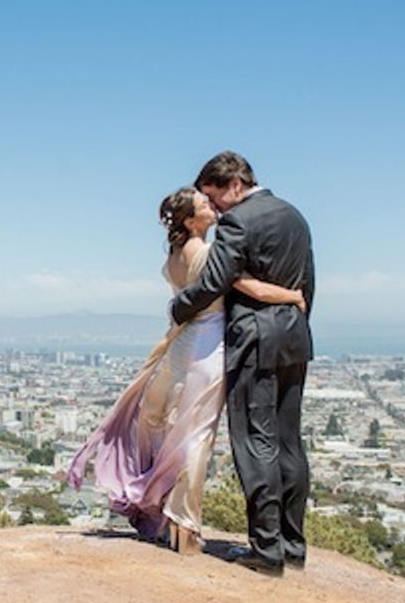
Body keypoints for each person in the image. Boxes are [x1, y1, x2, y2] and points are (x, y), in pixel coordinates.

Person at [67, 185, 305, 554]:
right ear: (192, 222)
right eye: (204, 205)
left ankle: (165, 519)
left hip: (179, 344)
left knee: (168, 427)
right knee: (196, 436)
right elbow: (250, 288)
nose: (213, 206)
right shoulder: (209, 252)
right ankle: (185, 527)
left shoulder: (177, 254)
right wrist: (293, 295)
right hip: (207, 348)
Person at [170, 151, 315, 577]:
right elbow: (307, 280)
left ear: (236, 184)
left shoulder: (240, 221)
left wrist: (179, 309)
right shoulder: (295, 216)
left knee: (256, 440)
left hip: (255, 336)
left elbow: (215, 280)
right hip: (294, 333)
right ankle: (293, 544)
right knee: (290, 440)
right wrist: (296, 320)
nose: (215, 210)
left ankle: (266, 550)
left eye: (216, 199)